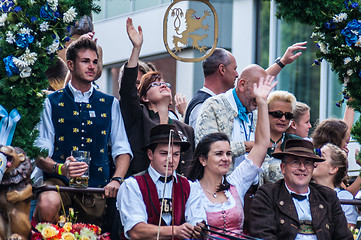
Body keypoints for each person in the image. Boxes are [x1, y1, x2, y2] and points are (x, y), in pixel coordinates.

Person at [33, 37, 132, 226]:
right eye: (85, 61)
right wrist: (60, 168)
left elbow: (123, 149)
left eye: (95, 62)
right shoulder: (50, 102)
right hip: (59, 183)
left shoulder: (110, 103)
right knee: (47, 203)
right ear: (70, 64)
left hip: (98, 186)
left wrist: (117, 180)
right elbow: (39, 152)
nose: (92, 66)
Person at [187, 74, 276, 237]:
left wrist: (262, 103)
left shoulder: (236, 183)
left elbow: (261, 146)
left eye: (228, 153)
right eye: (219, 154)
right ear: (203, 159)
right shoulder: (192, 189)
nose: (226, 158)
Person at [120, 18, 194, 177]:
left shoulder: (186, 130)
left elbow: (189, 172)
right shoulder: (138, 117)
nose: (163, 85)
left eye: (165, 83)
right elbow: (127, 90)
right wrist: (136, 49)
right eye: (155, 84)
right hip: (141, 189)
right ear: (144, 97)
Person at [184, 42, 307, 130]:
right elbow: (203, 147)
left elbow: (252, 84)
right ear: (222, 69)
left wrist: (282, 62)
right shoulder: (202, 105)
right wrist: (249, 145)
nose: (237, 74)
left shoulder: (229, 100)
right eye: (235, 69)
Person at [249, 139, 353, 239]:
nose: (302, 168)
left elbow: (344, 237)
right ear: (283, 168)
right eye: (295, 162)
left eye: (307, 163)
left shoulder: (328, 196)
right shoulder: (267, 195)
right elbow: (263, 235)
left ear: (313, 168)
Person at [117, 124, 206, 240]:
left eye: (176, 154)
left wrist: (199, 230)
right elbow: (135, 231)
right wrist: (175, 231)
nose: (170, 160)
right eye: (163, 153)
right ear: (150, 154)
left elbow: (197, 221)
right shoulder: (132, 185)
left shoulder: (190, 187)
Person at [312, 143, 358, 227]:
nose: (315, 159)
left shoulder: (344, 198)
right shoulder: (303, 192)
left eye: (321, 155)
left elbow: (348, 234)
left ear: (333, 169)